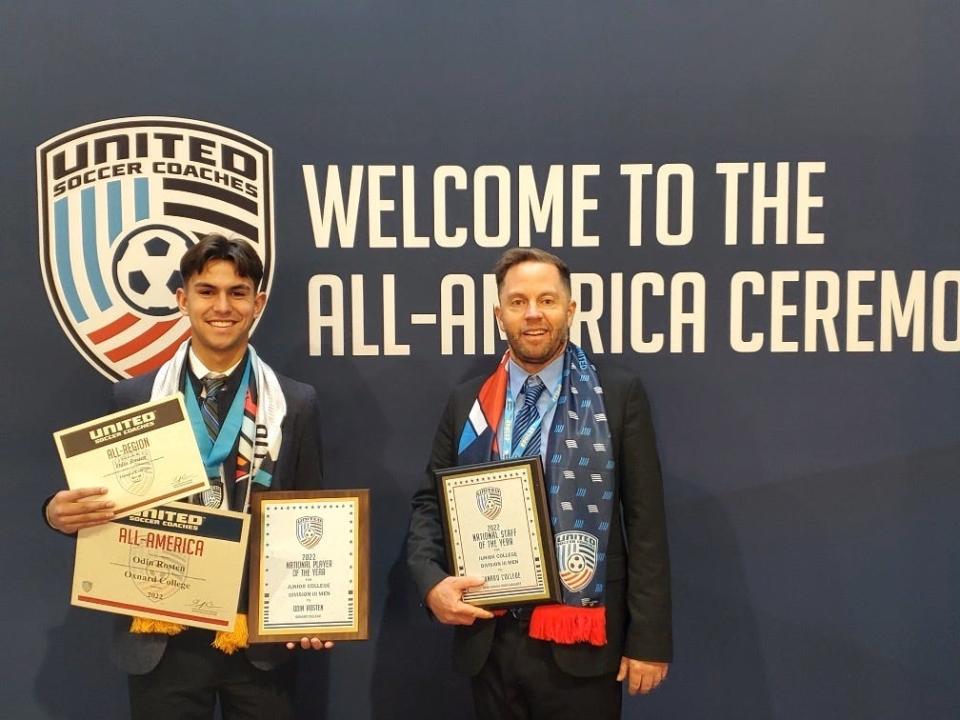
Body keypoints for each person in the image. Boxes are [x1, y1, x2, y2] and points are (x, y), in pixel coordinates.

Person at [44, 233, 331, 720]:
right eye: (207, 291)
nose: (223, 306)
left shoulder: (295, 402)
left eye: (238, 292)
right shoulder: (135, 398)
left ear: (257, 302)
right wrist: (58, 515)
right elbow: (107, 508)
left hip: (256, 635)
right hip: (161, 630)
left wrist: (318, 606)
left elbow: (313, 513)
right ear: (182, 299)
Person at [406, 248, 672, 719]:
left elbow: (645, 523)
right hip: (489, 637)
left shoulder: (617, 394)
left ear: (570, 310)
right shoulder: (468, 401)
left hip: (581, 641)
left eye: (547, 300)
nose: (532, 314)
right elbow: (431, 503)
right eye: (518, 301)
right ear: (498, 313)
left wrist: (648, 641)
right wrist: (431, 584)